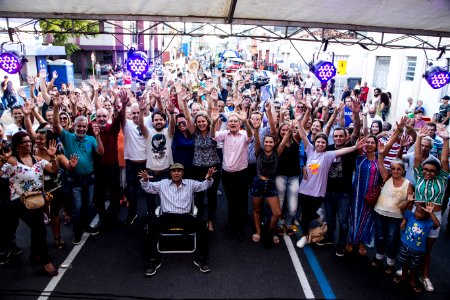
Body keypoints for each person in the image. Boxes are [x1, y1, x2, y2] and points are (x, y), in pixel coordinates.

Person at [296, 102, 366, 248]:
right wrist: (298, 120)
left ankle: (319, 217)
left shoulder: (328, 155)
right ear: (314, 143)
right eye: (318, 142)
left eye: (323, 142)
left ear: (326, 144)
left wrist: (354, 147)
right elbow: (302, 134)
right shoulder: (310, 150)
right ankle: (304, 236)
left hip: (318, 192)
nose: (321, 144)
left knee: (310, 214)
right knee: (303, 215)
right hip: (304, 189)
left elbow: (342, 152)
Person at [139, 164, 216, 276]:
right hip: (167, 216)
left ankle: (201, 259)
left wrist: (208, 178)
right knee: (151, 226)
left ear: (183, 173)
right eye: (174, 171)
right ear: (170, 173)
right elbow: (148, 188)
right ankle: (153, 261)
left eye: (179, 171)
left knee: (202, 225)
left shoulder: (190, 183)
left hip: (185, 216)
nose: (176, 173)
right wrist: (145, 180)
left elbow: (204, 185)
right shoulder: (163, 183)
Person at [0, 131, 58, 276]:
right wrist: (3, 160)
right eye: (24, 142)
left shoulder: (37, 159)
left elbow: (53, 169)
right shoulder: (12, 161)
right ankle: (45, 260)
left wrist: (53, 157)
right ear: (17, 145)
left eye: (29, 141)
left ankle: (35, 254)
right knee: (38, 228)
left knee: (38, 227)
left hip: (36, 200)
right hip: (18, 202)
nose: (28, 144)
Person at [53, 97, 105, 244]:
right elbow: (56, 124)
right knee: (77, 207)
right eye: (79, 126)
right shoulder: (67, 137)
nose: (81, 129)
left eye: (84, 126)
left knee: (88, 206)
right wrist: (56, 106)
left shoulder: (91, 139)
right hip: (74, 179)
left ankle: (86, 226)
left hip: (89, 178)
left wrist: (98, 136)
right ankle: (77, 233)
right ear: (73, 126)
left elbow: (101, 152)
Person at [319, 98, 361, 256]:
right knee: (330, 220)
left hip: (344, 193)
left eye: (340, 136)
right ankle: (330, 238)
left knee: (343, 222)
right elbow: (316, 163)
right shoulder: (327, 149)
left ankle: (341, 244)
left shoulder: (351, 149)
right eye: (335, 136)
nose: (337, 138)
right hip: (328, 191)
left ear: (345, 137)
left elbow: (356, 131)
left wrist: (355, 114)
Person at [371, 128, 413, 274]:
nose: (395, 171)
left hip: (396, 217)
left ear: (403, 170)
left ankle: (390, 262)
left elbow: (410, 204)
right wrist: (382, 153)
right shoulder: (386, 177)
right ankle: (378, 256)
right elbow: (380, 161)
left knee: (392, 239)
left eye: (398, 169)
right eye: (393, 168)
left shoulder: (408, 184)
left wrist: (405, 220)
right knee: (380, 236)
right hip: (379, 213)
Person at [412, 125, 449, 292]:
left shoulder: (442, 180)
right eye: (425, 170)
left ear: (438, 172)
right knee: (414, 245)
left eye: (432, 171)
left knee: (427, 249)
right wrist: (419, 137)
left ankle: (424, 276)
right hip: (417, 214)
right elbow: (418, 158)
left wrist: (446, 139)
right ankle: (410, 271)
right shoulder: (419, 175)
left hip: (434, 216)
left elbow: (443, 161)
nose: (427, 172)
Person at [212, 110, 253, 241]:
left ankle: (240, 227)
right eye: (231, 121)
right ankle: (231, 222)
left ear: (239, 123)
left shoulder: (244, 134)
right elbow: (213, 136)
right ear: (228, 124)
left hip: (242, 173)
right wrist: (213, 123)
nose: (233, 123)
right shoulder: (224, 134)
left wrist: (246, 121)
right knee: (230, 199)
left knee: (241, 200)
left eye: (236, 121)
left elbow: (251, 136)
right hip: (227, 173)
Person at [395, 202, 440, 293]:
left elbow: (437, 224)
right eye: (416, 211)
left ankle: (412, 280)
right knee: (404, 262)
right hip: (405, 245)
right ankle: (403, 276)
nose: (417, 214)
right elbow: (402, 209)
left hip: (418, 250)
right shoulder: (411, 216)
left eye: (421, 213)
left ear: (426, 216)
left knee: (415, 266)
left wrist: (431, 213)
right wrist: (409, 201)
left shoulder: (428, 223)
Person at [348, 135, 380, 256]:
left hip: (371, 195)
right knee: (354, 217)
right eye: (368, 142)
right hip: (357, 193)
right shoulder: (359, 157)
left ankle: (361, 243)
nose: (370, 144)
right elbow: (360, 133)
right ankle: (351, 241)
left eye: (373, 142)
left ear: (376, 145)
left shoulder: (379, 159)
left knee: (367, 219)